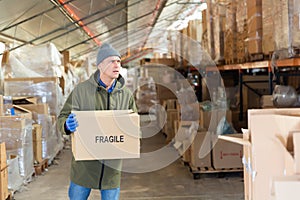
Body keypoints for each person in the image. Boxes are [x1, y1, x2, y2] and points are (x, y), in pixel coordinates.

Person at [57, 43, 137, 200]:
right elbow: (62, 117)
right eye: (111, 61)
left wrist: (132, 134)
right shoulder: (82, 91)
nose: (116, 65)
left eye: (118, 61)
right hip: (85, 167)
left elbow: (135, 125)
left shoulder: (125, 94)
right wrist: (67, 124)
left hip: (111, 169)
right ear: (100, 65)